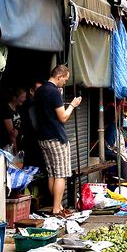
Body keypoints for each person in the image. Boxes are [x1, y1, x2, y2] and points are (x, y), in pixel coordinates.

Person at [34, 65, 81, 217]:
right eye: (65, 80)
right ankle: (56, 209)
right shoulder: (53, 92)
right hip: (56, 137)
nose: (64, 83)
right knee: (60, 174)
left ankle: (58, 205)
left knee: (51, 174)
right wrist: (72, 105)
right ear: (59, 76)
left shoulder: (39, 91)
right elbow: (63, 117)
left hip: (43, 137)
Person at [0, 87, 26, 154]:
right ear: (14, 98)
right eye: (22, 97)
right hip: (8, 145)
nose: (24, 99)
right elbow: (12, 135)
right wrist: (15, 152)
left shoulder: (18, 108)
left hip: (18, 143)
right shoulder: (6, 110)